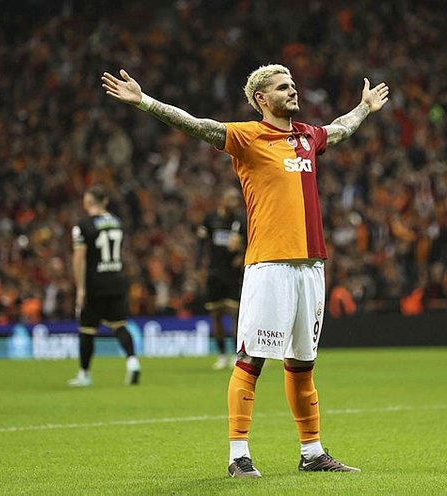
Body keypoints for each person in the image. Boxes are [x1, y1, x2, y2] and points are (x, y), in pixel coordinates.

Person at [102, 63, 389, 477]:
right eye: (283, 87)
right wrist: (145, 101)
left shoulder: (308, 136)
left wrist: (364, 107)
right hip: (269, 265)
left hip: (312, 266)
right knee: (252, 360)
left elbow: (341, 128)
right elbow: (197, 125)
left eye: (293, 85)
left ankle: (312, 452)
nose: (293, 91)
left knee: (302, 363)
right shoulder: (248, 136)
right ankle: (238, 455)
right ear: (261, 99)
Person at [68, 185, 141, 387]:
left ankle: (84, 374)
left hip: (95, 283)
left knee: (87, 329)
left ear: (89, 201)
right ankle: (132, 361)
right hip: (117, 279)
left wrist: (80, 288)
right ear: (105, 201)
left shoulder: (83, 225)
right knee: (119, 325)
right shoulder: (117, 223)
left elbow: (79, 258)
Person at [197, 187, 246, 370]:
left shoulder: (240, 221)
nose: (234, 202)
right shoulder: (210, 219)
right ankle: (222, 355)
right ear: (222, 200)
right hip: (214, 273)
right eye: (231, 198)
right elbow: (201, 244)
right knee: (216, 314)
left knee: (234, 314)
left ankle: (236, 354)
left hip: (232, 274)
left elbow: (250, 244)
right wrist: (198, 267)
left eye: (236, 199)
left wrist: (241, 255)